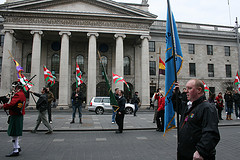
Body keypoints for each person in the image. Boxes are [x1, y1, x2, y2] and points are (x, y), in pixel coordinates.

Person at [173, 79, 220, 160]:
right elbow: (178, 106)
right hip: (185, 154)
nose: (186, 91)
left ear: (199, 90)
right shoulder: (190, 106)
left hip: (197, 156)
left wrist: (201, 151)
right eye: (186, 88)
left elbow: (211, 133)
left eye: (190, 88)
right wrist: (176, 94)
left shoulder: (207, 108)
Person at [0, 81, 26, 157]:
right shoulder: (21, 94)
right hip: (17, 115)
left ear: (17, 87)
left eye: (14, 87)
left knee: (13, 132)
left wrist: (3, 106)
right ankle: (17, 146)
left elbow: (12, 104)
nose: (13, 88)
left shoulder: (18, 95)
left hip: (15, 115)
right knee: (15, 132)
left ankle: (15, 149)